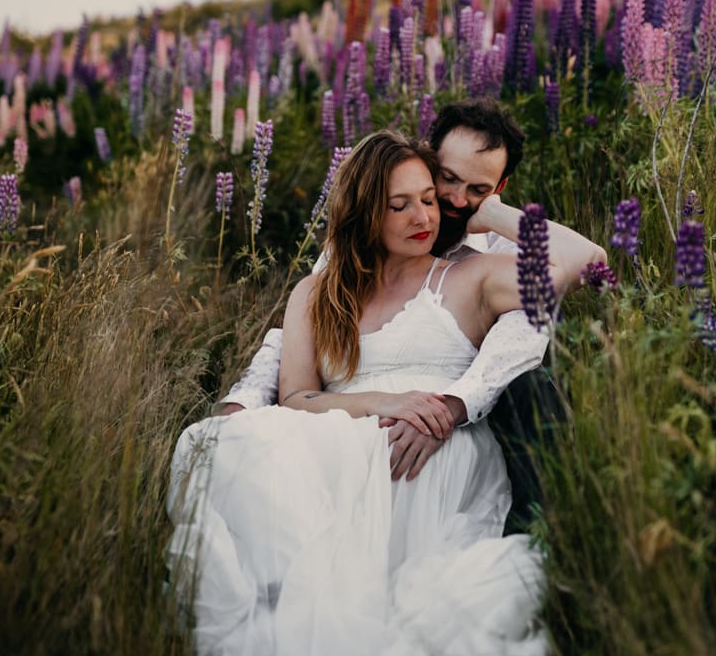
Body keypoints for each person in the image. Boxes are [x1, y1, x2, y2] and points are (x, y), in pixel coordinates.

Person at [167, 130, 606, 656]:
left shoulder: (471, 277)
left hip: (434, 458)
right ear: (364, 211)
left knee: (405, 631)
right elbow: (297, 398)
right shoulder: (318, 293)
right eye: (399, 205)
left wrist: (488, 212)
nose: (423, 215)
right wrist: (381, 402)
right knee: (214, 444)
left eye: (430, 198)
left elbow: (586, 260)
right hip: (344, 442)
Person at [218, 100, 558, 533]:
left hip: (458, 432)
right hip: (352, 433)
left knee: (535, 387)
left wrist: (447, 409)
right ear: (428, 160)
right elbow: (300, 332)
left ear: (500, 186)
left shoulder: (503, 254)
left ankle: (540, 532)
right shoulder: (349, 255)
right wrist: (245, 403)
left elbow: (519, 344)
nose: (455, 201)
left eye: (478, 189)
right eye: (448, 179)